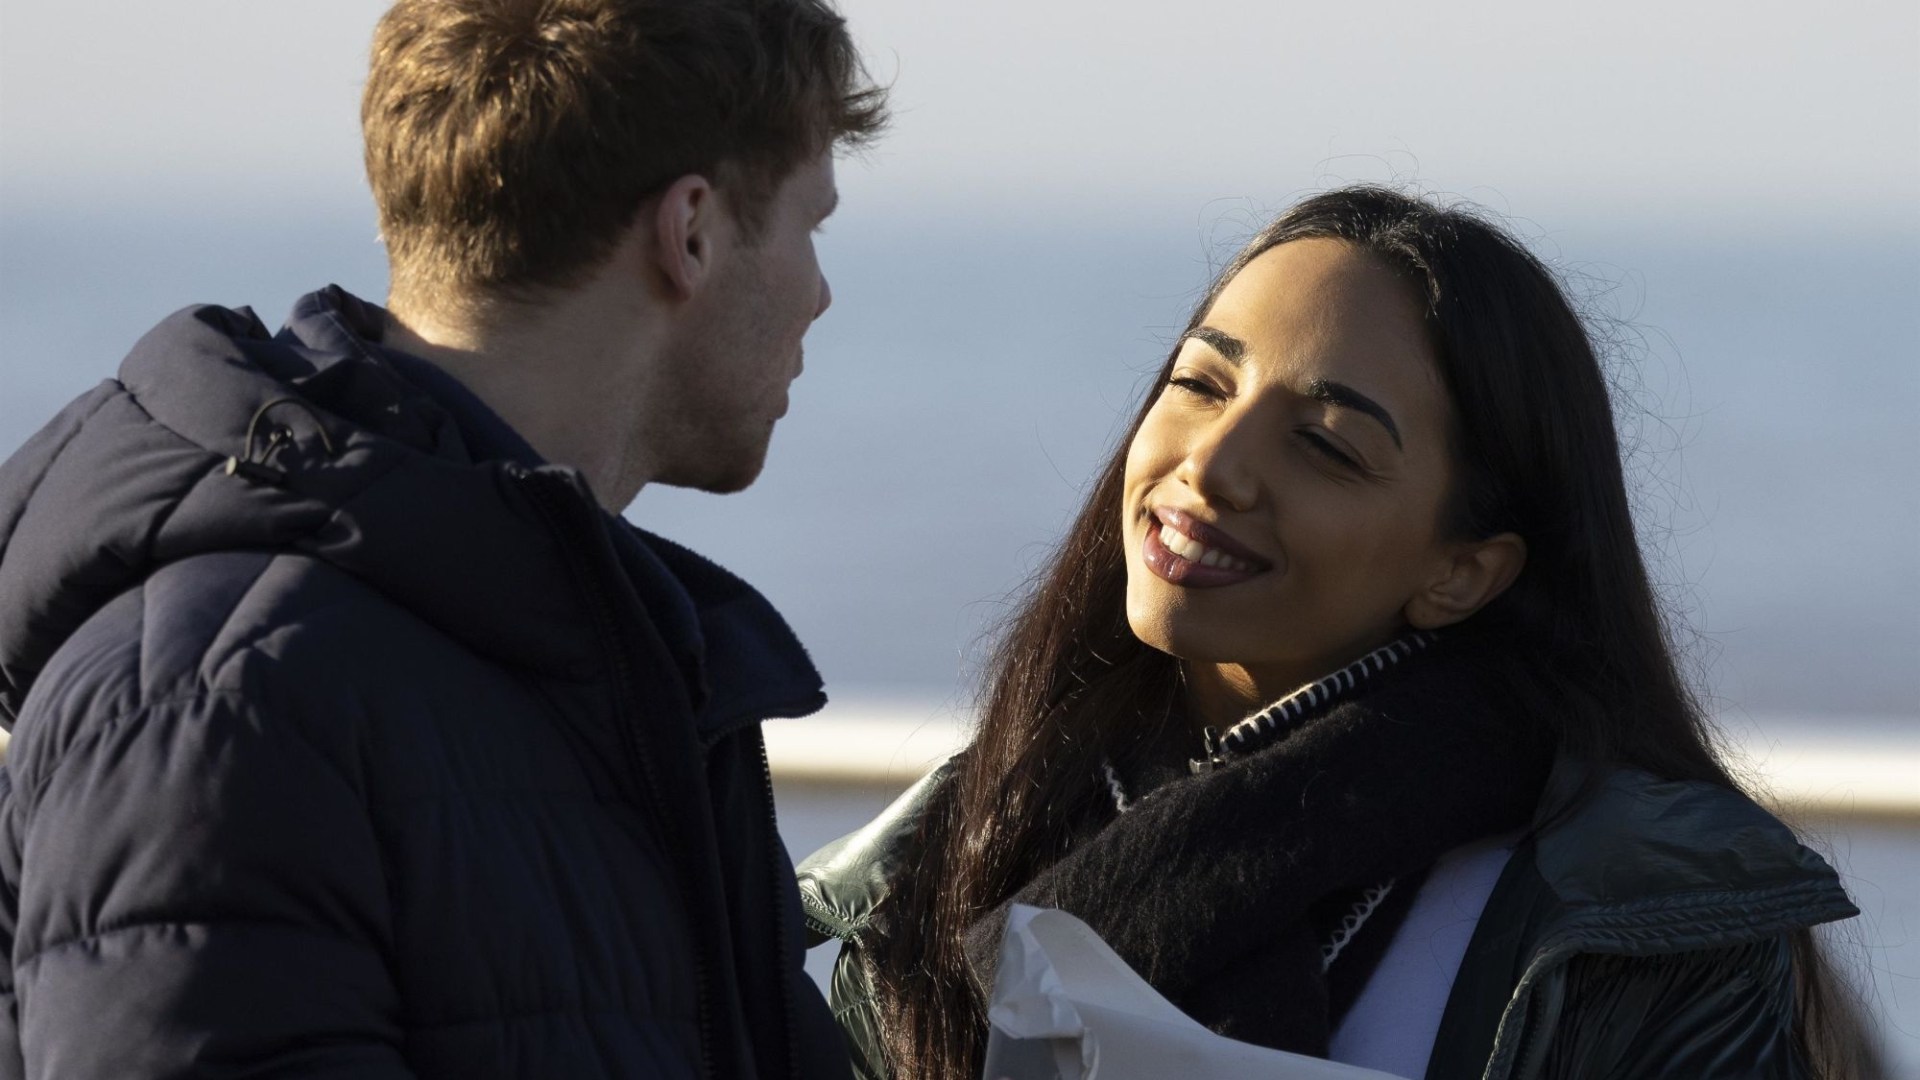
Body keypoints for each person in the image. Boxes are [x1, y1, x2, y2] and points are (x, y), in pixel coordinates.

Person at [798, 187, 1879, 1080]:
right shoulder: (946, 855)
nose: (1211, 468)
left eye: (1325, 444)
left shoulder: (1643, 920)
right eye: (1200, 383)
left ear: (1464, 571)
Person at [0, 0, 884, 1077]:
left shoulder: (604, 662)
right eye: (813, 226)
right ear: (690, 230)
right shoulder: (224, 707)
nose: (823, 294)